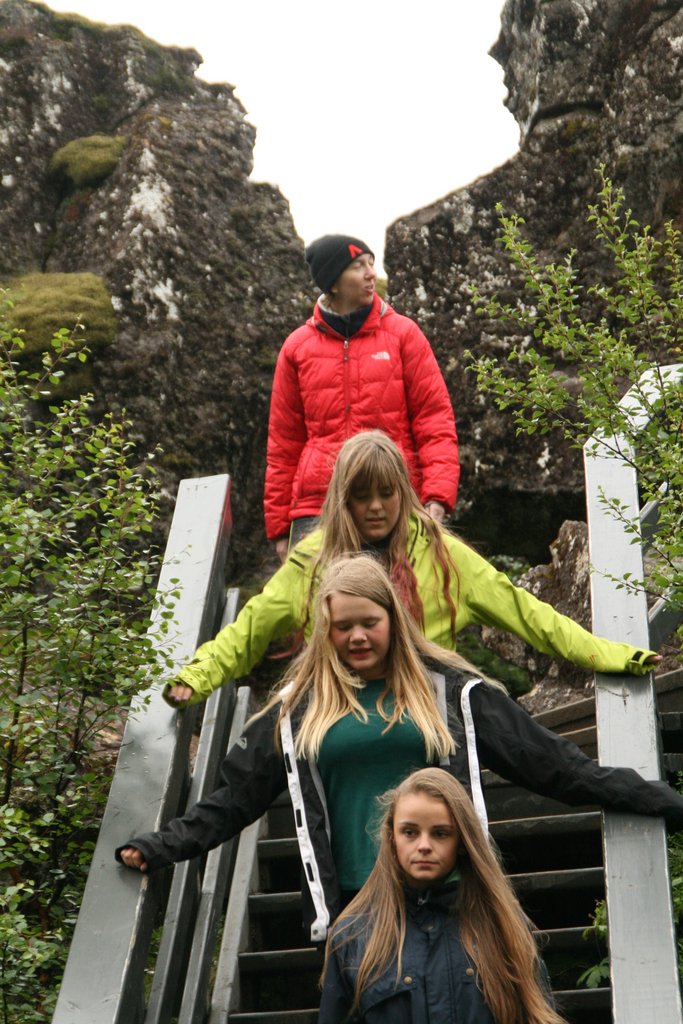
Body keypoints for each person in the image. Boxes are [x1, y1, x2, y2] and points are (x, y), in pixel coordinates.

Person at [118, 556, 683, 946]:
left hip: (452, 902)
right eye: (343, 627)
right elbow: (232, 802)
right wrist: (161, 846)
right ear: (325, 631)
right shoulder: (297, 713)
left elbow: (555, 766)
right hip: (358, 909)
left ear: (393, 618)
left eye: (370, 622)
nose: (357, 637)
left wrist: (653, 798)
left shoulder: (452, 694)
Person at [165, 430, 660, 708]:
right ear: (343, 500)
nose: (376, 507)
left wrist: (611, 654)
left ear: (404, 492)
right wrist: (198, 676)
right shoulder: (312, 561)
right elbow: (250, 628)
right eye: (362, 496)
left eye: (387, 493)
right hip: (339, 710)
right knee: (269, 736)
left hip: (424, 705)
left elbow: (528, 613)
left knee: (497, 714)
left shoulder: (443, 555)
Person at [265, 234, 459, 560]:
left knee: (396, 593)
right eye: (358, 266)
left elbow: (435, 419)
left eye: (371, 263)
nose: (371, 274)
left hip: (391, 500)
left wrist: (437, 495)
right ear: (333, 282)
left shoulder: (404, 335)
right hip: (318, 505)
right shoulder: (297, 348)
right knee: (315, 594)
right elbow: (283, 442)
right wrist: (280, 527)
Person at [319, 768, 566, 1024]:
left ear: (462, 841)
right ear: (392, 837)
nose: (424, 846)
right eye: (410, 832)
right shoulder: (354, 936)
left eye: (440, 833)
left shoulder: (502, 925)